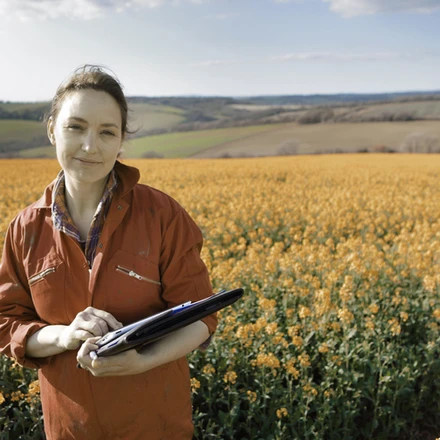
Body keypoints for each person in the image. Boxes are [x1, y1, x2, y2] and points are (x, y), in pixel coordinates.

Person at [0, 65, 217, 440]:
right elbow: (7, 324)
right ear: (52, 129)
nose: (90, 146)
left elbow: (200, 317)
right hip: (70, 430)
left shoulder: (162, 215)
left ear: (121, 142)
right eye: (76, 127)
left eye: (106, 132)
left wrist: (141, 361)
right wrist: (66, 336)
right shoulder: (25, 230)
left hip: (155, 427)